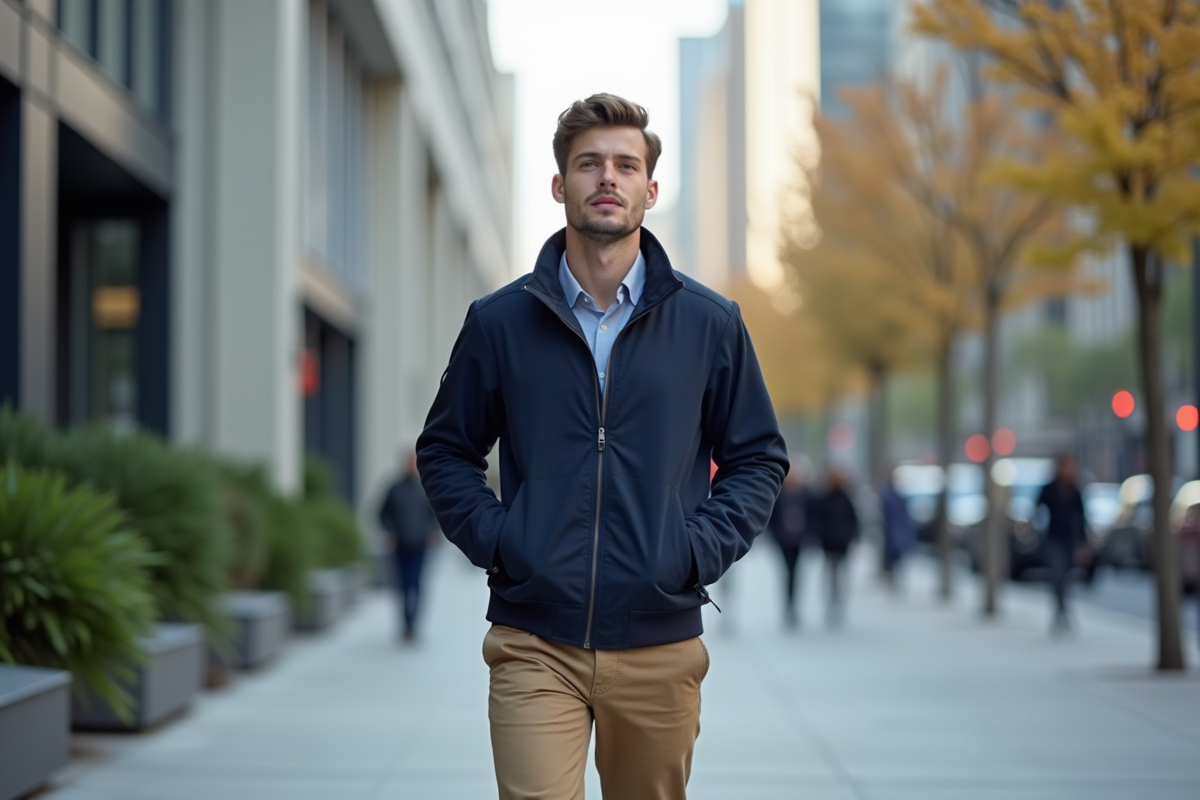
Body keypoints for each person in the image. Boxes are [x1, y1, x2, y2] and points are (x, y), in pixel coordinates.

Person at [417, 93, 787, 800]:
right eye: (589, 164)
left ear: (651, 188)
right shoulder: (499, 323)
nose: (607, 179)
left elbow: (758, 457)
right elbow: (445, 450)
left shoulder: (711, 324)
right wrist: (504, 541)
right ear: (561, 185)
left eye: (625, 164)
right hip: (534, 639)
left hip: (659, 641)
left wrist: (692, 551)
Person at [377, 451, 438, 642]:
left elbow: (435, 515)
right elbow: (382, 514)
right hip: (400, 545)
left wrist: (431, 532)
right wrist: (390, 532)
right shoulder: (394, 488)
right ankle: (405, 623)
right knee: (402, 585)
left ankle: (413, 624)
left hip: (420, 546)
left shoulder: (425, 488)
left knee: (416, 584)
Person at [1036, 453, 1086, 635]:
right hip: (1053, 538)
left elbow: (1082, 518)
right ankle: (1061, 612)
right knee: (1056, 576)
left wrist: (1083, 543)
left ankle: (1062, 611)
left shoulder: (1075, 489)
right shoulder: (1049, 489)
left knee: (1066, 578)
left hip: (1069, 540)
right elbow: (1037, 509)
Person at [767, 460, 813, 628]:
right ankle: (787, 605)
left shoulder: (806, 493)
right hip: (784, 539)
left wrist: (810, 535)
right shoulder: (780, 493)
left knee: (796, 572)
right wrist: (774, 536)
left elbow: (812, 514)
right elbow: (771, 516)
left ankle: (793, 605)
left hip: (799, 539)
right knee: (787, 571)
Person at [816, 468, 859, 627]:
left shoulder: (844, 499)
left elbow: (854, 520)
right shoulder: (826, 499)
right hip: (831, 542)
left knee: (837, 575)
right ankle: (833, 604)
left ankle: (837, 604)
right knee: (833, 575)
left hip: (840, 542)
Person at [879, 469, 915, 591]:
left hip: (893, 531)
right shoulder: (895, 497)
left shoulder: (890, 497)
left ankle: (892, 577)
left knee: (893, 556)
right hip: (895, 531)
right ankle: (893, 577)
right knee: (894, 556)